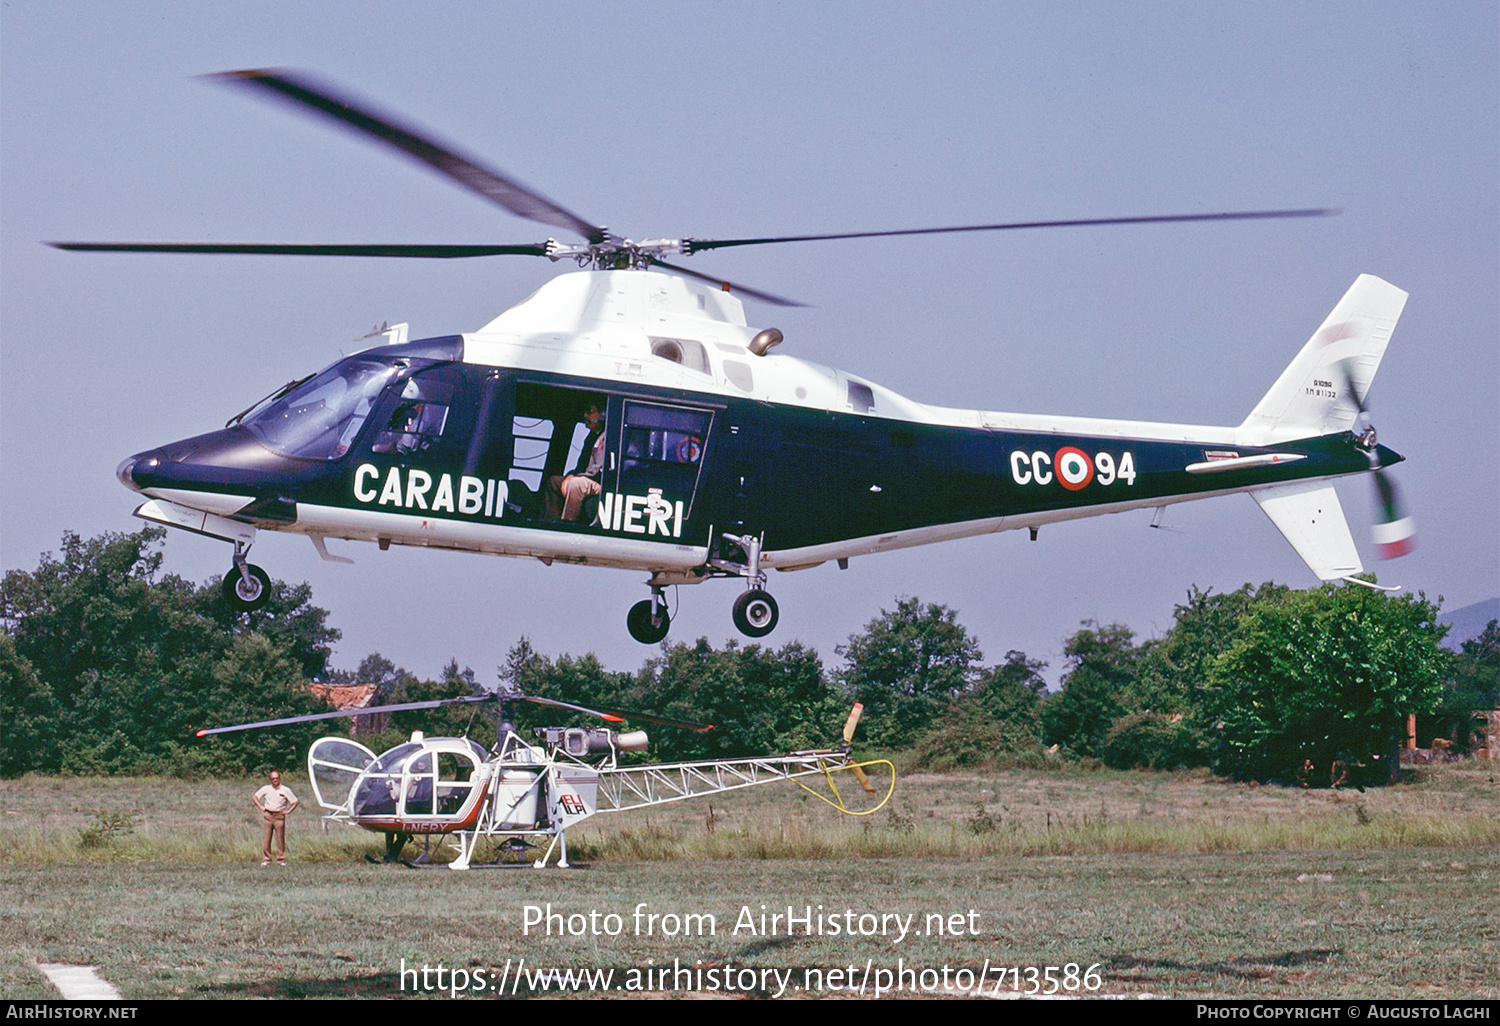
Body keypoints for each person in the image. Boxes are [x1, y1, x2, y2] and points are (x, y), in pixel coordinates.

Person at [545, 403, 605, 522]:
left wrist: (574, 478)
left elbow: (597, 470)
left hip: (600, 482)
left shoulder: (607, 436)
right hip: (586, 478)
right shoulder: (591, 438)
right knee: (554, 482)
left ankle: (568, 524)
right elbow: (581, 465)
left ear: (601, 414)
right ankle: (549, 522)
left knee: (575, 484)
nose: (586, 415)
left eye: (590, 411)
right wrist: (571, 475)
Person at [253, 769, 299, 866]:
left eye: (277, 778)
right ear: (270, 779)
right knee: (266, 839)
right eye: (273, 778)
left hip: (279, 816)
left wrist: (288, 811)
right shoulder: (266, 788)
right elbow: (255, 797)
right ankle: (266, 859)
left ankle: (281, 860)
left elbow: (295, 802)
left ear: (279, 778)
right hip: (268, 815)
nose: (275, 780)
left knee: (280, 839)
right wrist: (261, 806)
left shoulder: (285, 790)